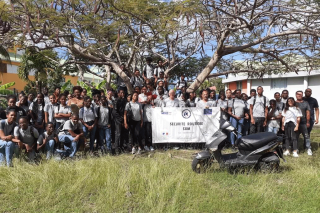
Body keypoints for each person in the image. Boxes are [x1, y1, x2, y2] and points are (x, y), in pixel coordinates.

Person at [295, 90, 312, 155]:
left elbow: (308, 112)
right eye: (298, 94)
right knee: (295, 136)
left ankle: (308, 148)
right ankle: (296, 149)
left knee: (306, 136)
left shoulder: (306, 103)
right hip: (295, 123)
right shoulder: (293, 102)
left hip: (303, 122)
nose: (299, 95)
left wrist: (308, 122)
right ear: (296, 95)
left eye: (301, 94)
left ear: (302, 95)